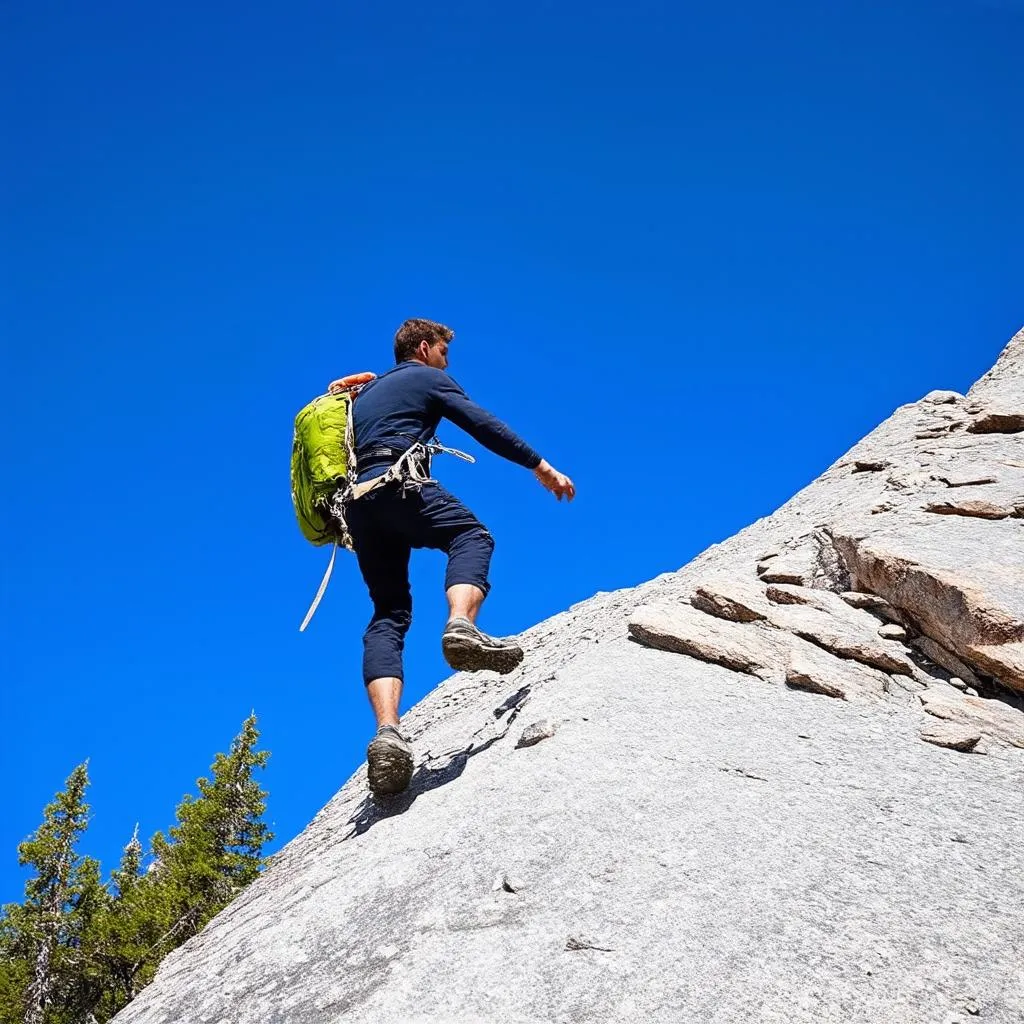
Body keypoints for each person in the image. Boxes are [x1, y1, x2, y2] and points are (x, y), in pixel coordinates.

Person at [328, 318, 575, 796]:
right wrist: (539, 466)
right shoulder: (426, 377)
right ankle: (460, 626)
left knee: (389, 613)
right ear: (424, 348)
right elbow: (480, 422)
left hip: (357, 506)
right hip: (399, 482)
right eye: (444, 352)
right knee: (472, 536)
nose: (447, 361)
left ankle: (387, 734)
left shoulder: (363, 397)